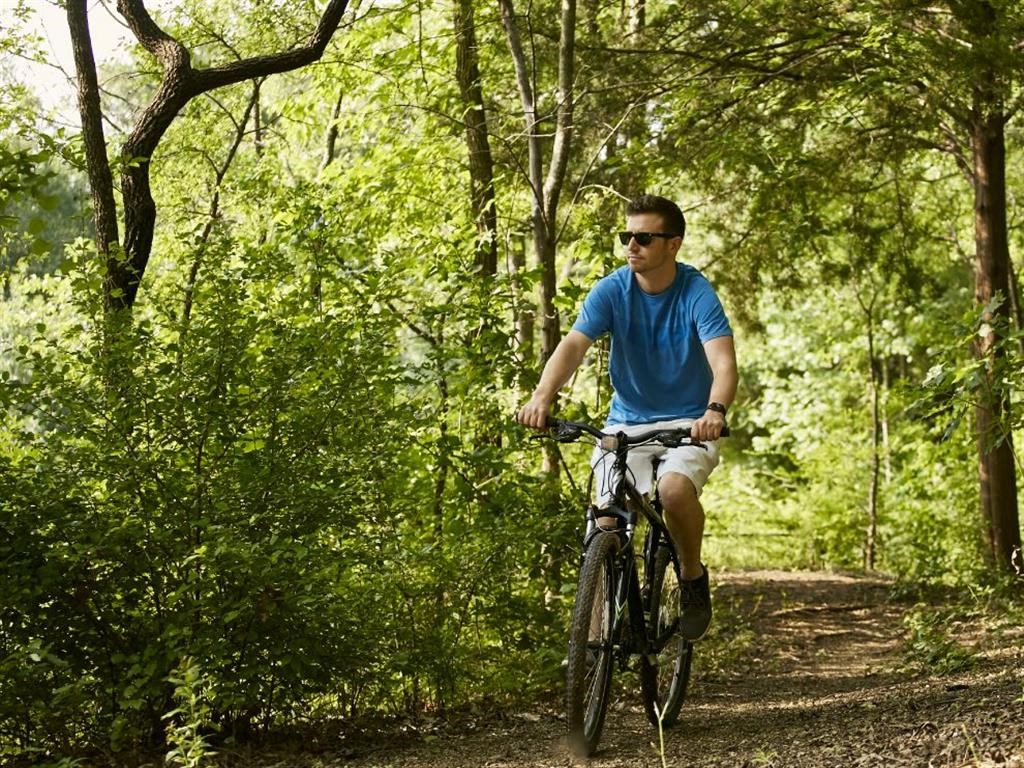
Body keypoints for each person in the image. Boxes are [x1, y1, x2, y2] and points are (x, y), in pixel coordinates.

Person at [517, 194, 737, 641]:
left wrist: (714, 411)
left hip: (689, 423)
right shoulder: (612, 290)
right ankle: (595, 642)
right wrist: (542, 396)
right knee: (606, 518)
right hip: (627, 422)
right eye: (627, 236)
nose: (631, 246)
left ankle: (692, 577)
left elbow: (724, 363)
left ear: (672, 245)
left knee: (673, 493)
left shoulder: (696, 292)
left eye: (643, 237)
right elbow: (574, 346)